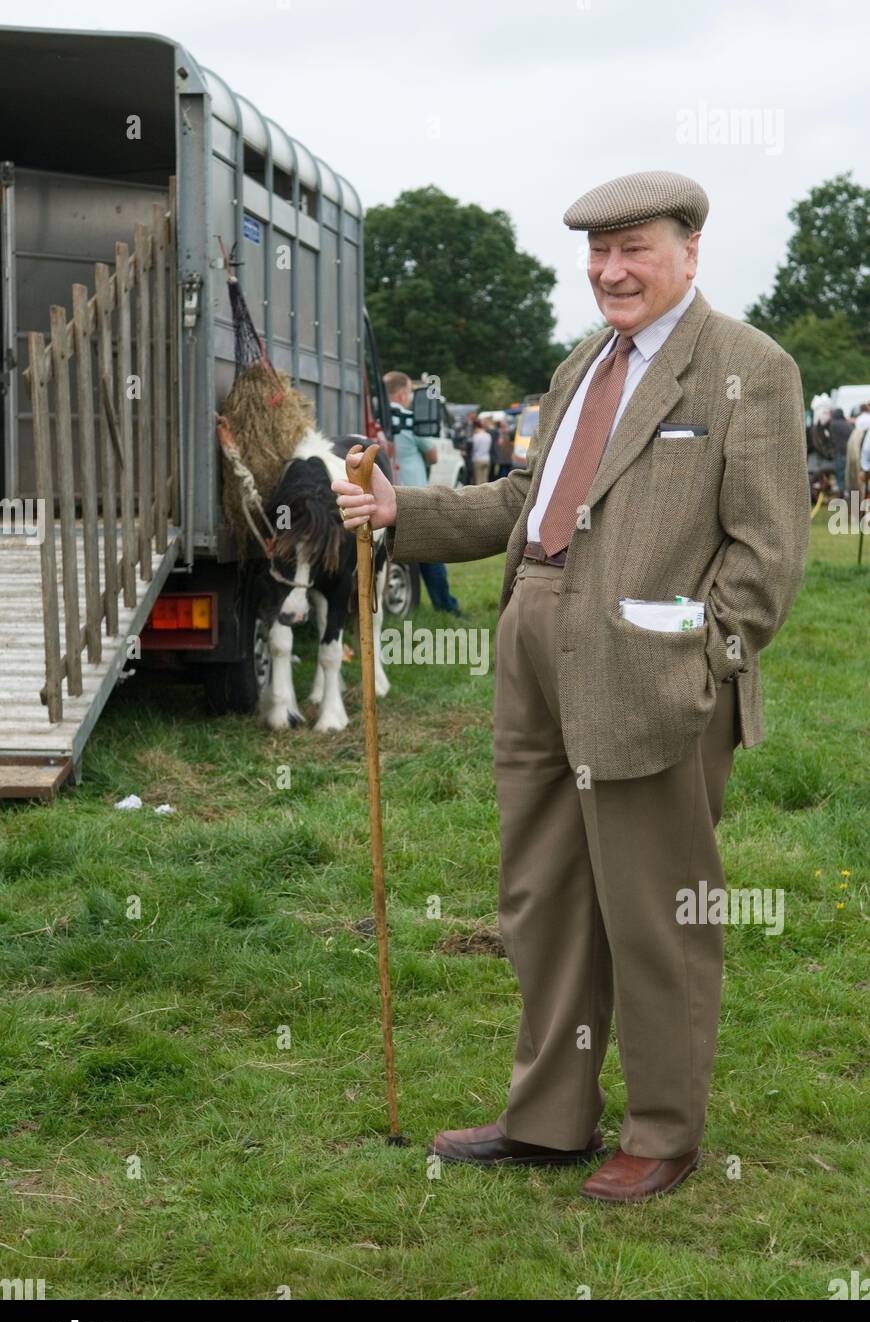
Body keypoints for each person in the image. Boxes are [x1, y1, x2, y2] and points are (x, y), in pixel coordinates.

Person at [335, 171, 808, 1203]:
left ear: (690, 250)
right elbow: (523, 498)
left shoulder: (747, 369)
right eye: (598, 252)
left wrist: (696, 658)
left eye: (634, 248)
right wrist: (397, 512)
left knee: (655, 911)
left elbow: (766, 555)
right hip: (533, 652)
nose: (611, 270)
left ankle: (663, 1131)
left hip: (654, 677)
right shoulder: (578, 365)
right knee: (543, 898)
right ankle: (548, 1119)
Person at [383, 371, 465, 618]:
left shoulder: (375, 417)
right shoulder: (410, 419)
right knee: (431, 552)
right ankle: (446, 607)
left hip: (384, 496)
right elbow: (433, 456)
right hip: (412, 495)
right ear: (402, 393)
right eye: (408, 393)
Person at [830, 407, 853, 497]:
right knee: (848, 474)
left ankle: (842, 493)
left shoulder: (833, 424)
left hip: (839, 453)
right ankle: (848, 492)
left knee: (840, 474)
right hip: (849, 453)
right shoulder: (848, 425)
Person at [471, 418, 494, 484]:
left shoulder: (476, 436)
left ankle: (479, 494)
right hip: (486, 459)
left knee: (478, 481)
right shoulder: (488, 435)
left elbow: (475, 448)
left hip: (478, 459)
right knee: (485, 481)